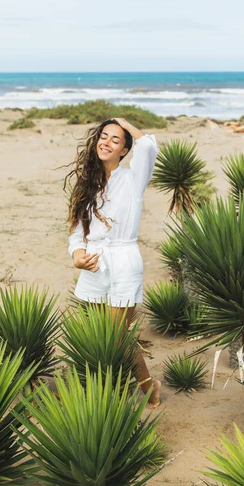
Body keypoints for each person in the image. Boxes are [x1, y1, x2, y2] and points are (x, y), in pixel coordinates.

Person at [66, 117, 161, 408]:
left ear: (124, 150)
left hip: (123, 261)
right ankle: (93, 388)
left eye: (115, 140)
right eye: (103, 136)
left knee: (117, 337)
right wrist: (78, 257)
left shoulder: (133, 178)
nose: (106, 142)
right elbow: (76, 233)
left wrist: (122, 122)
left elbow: (147, 145)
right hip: (94, 264)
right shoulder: (87, 185)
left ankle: (148, 385)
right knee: (96, 334)